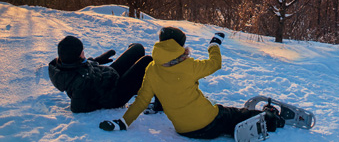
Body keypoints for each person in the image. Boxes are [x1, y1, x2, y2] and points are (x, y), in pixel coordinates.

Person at [99, 27, 284, 139]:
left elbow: (140, 101)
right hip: (208, 122)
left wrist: (122, 122)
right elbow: (215, 64)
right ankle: (271, 118)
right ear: (178, 46)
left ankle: (236, 125)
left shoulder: (152, 69)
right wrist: (214, 45)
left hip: (184, 130)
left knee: (222, 113)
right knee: (233, 114)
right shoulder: (189, 65)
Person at [48, 35, 153, 113]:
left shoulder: (67, 63)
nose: (83, 52)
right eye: (81, 51)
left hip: (109, 75)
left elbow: (82, 68)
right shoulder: (79, 81)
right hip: (115, 94)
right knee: (147, 61)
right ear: (76, 56)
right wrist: (101, 101)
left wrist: (96, 61)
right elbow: (77, 108)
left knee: (138, 48)